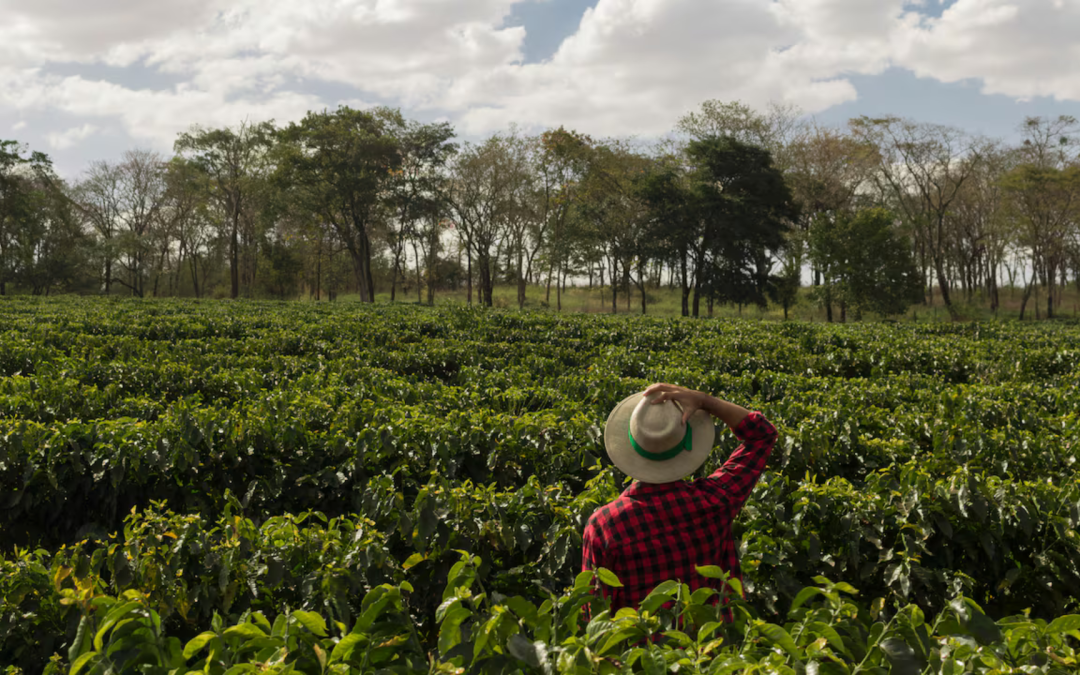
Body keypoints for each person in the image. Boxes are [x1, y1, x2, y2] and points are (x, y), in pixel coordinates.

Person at [582, 382, 777, 615]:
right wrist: (705, 401)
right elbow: (762, 435)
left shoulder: (605, 525)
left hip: (642, 649)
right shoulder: (715, 501)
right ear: (686, 444)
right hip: (711, 646)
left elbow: (593, 611)